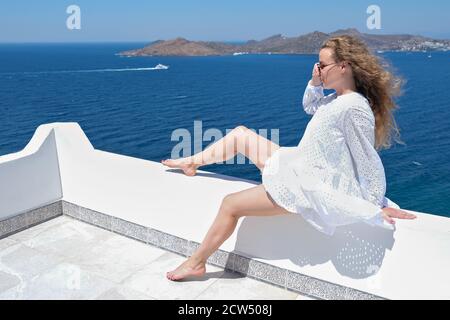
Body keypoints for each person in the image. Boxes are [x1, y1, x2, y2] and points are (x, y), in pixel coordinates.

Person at [161, 35, 417, 281]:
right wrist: (315, 82)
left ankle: (197, 263)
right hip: (298, 164)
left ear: (343, 66)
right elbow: (310, 107)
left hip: (307, 187)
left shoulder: (354, 107)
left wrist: (373, 205)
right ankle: (192, 162)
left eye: (322, 65)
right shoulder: (336, 99)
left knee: (230, 204)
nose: (318, 69)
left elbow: (367, 160)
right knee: (240, 135)